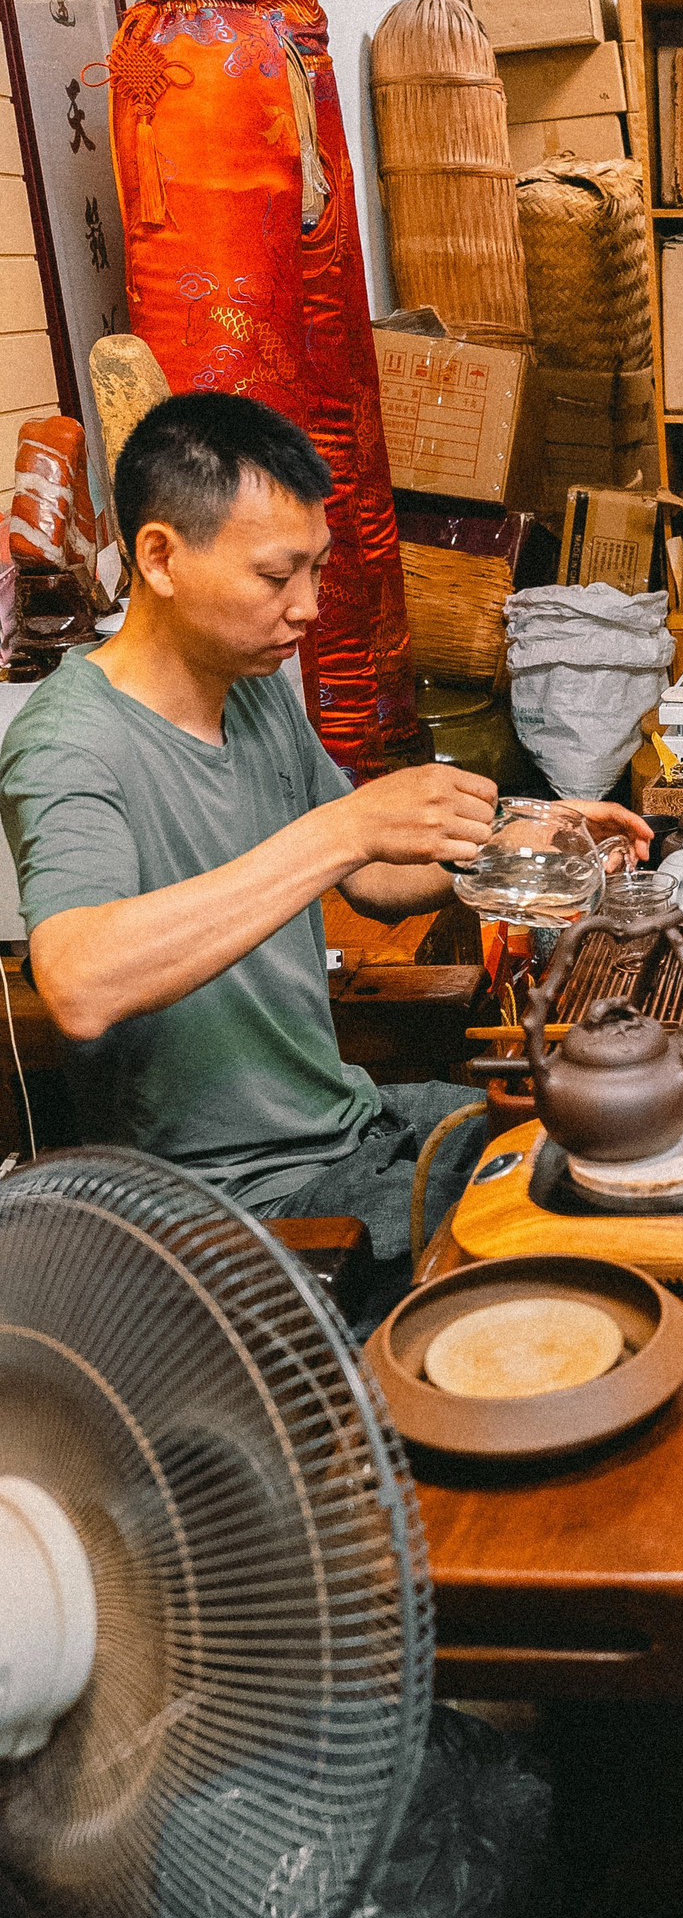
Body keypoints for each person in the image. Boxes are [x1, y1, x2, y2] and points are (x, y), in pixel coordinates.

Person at [0, 392, 649, 1328]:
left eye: (316, 569)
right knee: (568, 1252)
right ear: (160, 557)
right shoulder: (68, 742)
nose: (306, 607)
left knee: (600, 1136)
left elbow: (372, 879)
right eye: (276, 576)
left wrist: (518, 839)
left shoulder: (251, 683)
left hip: (351, 1125)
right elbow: (79, 981)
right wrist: (341, 829)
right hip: (237, 1207)